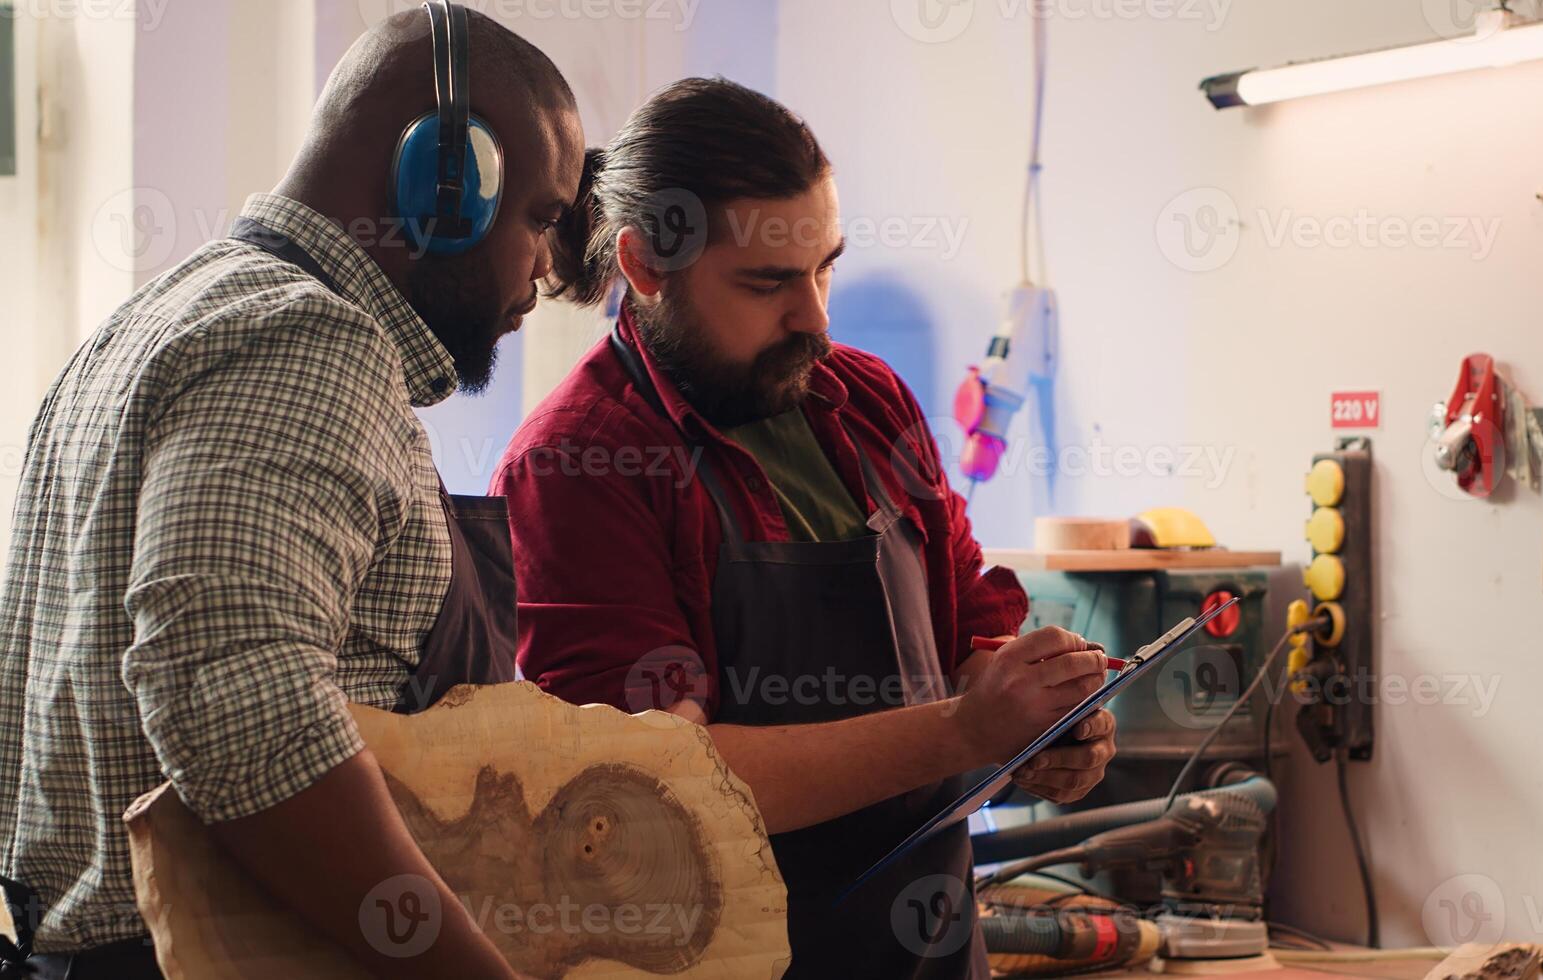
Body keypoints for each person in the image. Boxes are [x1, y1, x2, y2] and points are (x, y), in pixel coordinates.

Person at [0, 5, 582, 977]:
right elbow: (242, 701)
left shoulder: (157, 316)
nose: (547, 267)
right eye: (541, 217)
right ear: (444, 188)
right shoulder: (309, 343)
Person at [492, 76, 1117, 979]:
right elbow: (656, 782)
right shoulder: (578, 465)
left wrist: (1035, 720)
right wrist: (964, 733)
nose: (815, 318)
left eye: (826, 266)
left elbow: (966, 609)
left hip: (929, 948)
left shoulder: (866, 400)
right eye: (768, 283)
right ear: (644, 267)